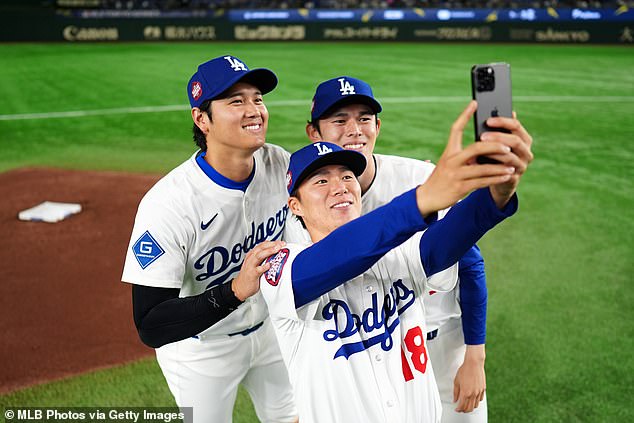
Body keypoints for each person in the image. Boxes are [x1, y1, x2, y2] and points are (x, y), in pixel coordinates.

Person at [285, 76, 532, 421]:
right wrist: (424, 200)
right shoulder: (283, 265)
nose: (339, 188)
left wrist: (497, 192)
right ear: (294, 205)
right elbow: (343, 254)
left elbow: (451, 240)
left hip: (423, 369)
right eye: (321, 181)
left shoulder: (400, 252)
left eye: (347, 177)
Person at [121, 55, 297, 423]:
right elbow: (151, 323)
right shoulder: (168, 204)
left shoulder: (280, 164)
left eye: (258, 98)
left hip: (270, 333)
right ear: (202, 118)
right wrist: (234, 290)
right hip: (201, 351)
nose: (254, 110)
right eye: (236, 101)